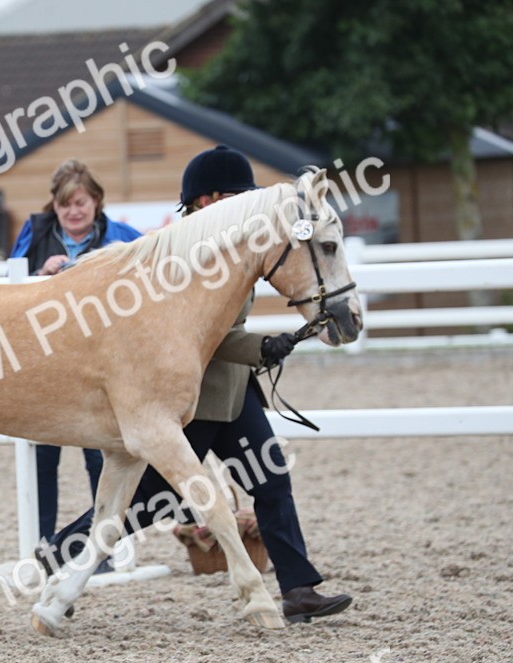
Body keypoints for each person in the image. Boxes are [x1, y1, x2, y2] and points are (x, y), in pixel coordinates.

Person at [35, 145, 352, 624]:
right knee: (146, 503)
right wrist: (258, 348)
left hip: (234, 394)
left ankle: (298, 588)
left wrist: (268, 346)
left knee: (270, 481)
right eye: (235, 197)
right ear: (209, 201)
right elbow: (204, 336)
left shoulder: (242, 245)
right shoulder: (181, 251)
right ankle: (63, 554)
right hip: (189, 399)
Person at [10, 159, 142, 542]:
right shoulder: (34, 235)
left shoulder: (122, 236)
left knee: (101, 458)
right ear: (54, 204)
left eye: (80, 202)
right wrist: (38, 278)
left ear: (97, 201)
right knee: (42, 456)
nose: (73, 211)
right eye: (65, 203)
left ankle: (100, 547)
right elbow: (5, 295)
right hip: (44, 366)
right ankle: (41, 545)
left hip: (101, 367)